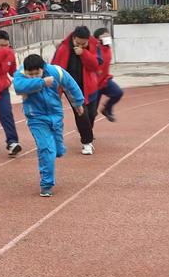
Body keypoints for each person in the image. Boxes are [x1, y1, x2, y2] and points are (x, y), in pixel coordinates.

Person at [14, 54, 84, 197]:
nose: (33, 76)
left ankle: (58, 148)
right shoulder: (20, 74)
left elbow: (70, 85)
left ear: (43, 68)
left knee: (57, 150)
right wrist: (41, 82)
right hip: (36, 117)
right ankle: (46, 184)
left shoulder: (55, 71)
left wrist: (78, 103)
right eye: (30, 74)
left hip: (56, 115)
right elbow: (18, 87)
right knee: (46, 148)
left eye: (36, 73)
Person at [52, 26, 102, 155]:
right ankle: (87, 142)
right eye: (77, 43)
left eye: (83, 43)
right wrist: (56, 91)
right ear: (73, 38)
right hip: (72, 89)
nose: (80, 45)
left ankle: (85, 129)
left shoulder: (93, 46)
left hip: (90, 86)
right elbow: (55, 69)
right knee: (81, 113)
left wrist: (84, 53)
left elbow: (96, 65)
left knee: (91, 113)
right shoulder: (63, 48)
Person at [93, 28, 123, 122]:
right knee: (92, 112)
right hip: (94, 84)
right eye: (104, 36)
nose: (107, 37)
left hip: (105, 81)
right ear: (98, 38)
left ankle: (107, 109)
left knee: (118, 93)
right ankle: (85, 130)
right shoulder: (94, 49)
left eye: (108, 35)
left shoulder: (108, 48)